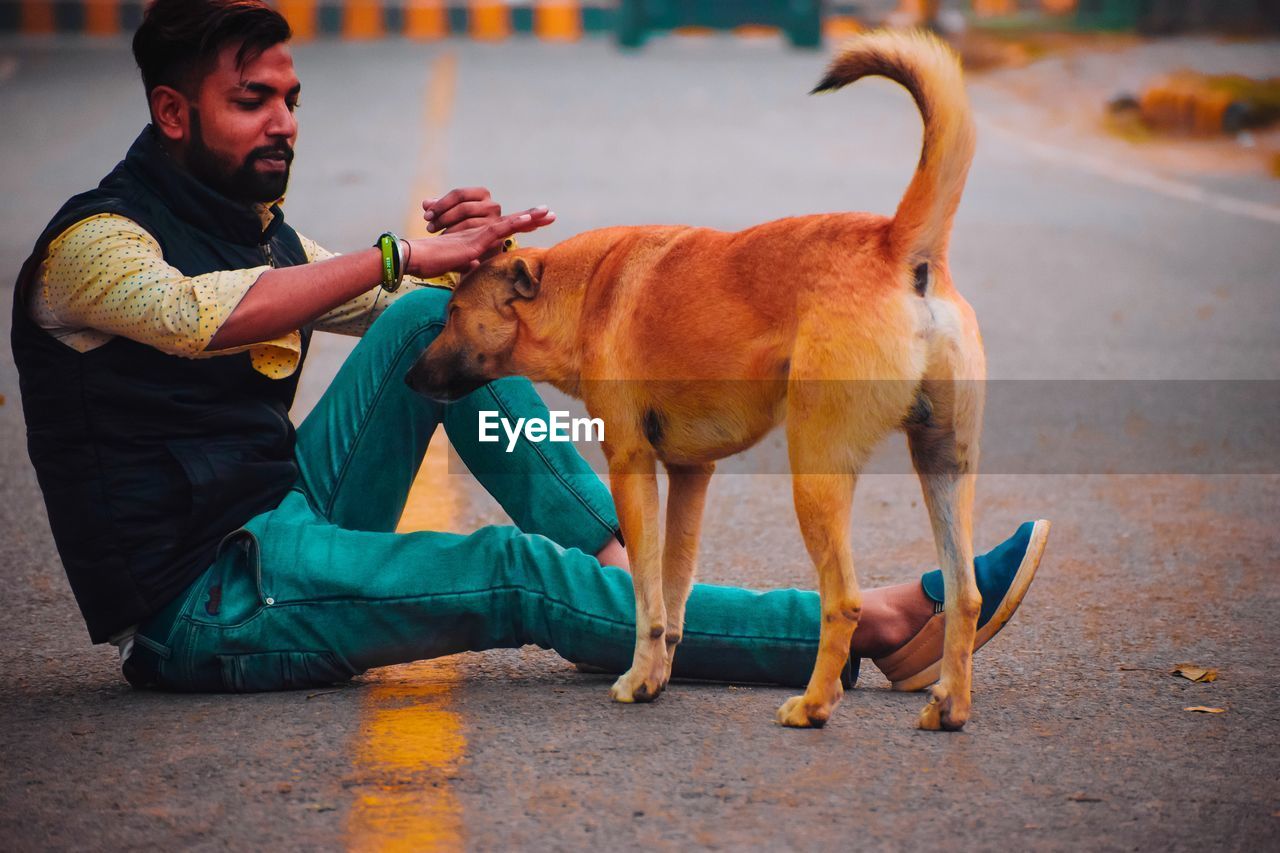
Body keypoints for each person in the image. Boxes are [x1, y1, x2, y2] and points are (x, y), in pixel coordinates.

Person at [10, 0, 1048, 696]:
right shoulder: (89, 251)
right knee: (512, 573)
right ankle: (868, 626)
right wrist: (400, 251)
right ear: (171, 112)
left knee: (430, 327)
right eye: (253, 103)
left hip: (282, 514)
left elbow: (386, 309)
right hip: (207, 600)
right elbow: (207, 315)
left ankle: (615, 561)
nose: (284, 123)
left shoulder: (251, 226)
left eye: (290, 99)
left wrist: (477, 279)